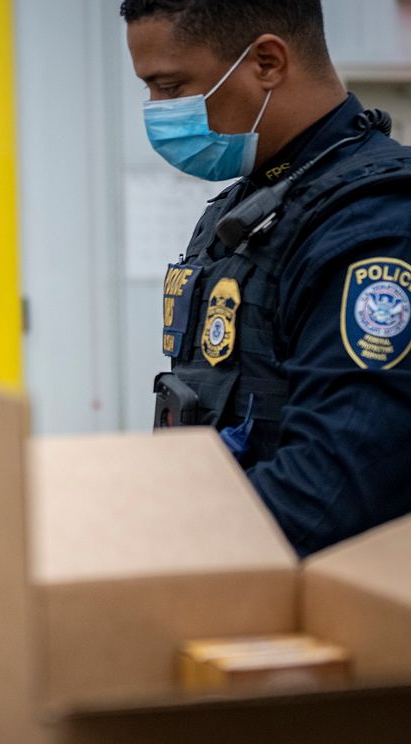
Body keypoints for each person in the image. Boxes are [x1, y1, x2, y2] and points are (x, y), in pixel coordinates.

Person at [122, 0, 411, 555]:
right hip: (239, 563)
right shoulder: (251, 205)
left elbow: (334, 486)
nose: (157, 110)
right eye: (149, 90)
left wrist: (163, 549)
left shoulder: (374, 222)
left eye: (171, 86)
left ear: (268, 62)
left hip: (313, 594)